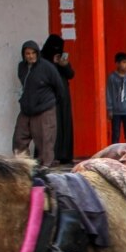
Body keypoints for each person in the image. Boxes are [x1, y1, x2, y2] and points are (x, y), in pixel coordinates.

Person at [12, 40, 63, 167]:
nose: (30, 56)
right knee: (19, 138)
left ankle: (46, 168)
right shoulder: (22, 67)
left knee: (45, 140)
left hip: (44, 108)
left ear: (37, 53)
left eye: (33, 53)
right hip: (27, 109)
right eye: (27, 53)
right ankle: (23, 165)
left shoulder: (47, 67)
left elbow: (59, 86)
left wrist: (50, 102)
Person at [41, 35, 76, 164]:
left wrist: (64, 65)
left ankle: (65, 154)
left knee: (65, 124)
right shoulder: (43, 60)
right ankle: (51, 155)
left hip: (64, 97)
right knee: (53, 126)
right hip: (50, 97)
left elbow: (71, 74)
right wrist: (53, 64)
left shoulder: (61, 59)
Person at [106, 52, 126, 145]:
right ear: (117, 64)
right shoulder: (112, 78)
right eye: (124, 62)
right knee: (115, 134)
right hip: (116, 112)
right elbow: (109, 93)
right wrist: (109, 109)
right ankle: (114, 154)